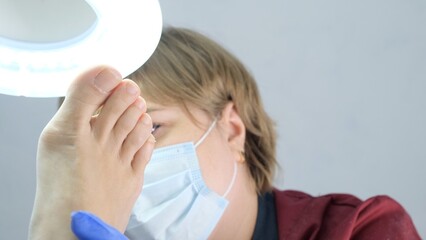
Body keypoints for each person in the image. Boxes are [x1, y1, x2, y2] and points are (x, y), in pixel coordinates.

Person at [29, 27, 421, 239]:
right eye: (103, 145)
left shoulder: (360, 230)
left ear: (233, 130)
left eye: (151, 128)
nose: (123, 168)